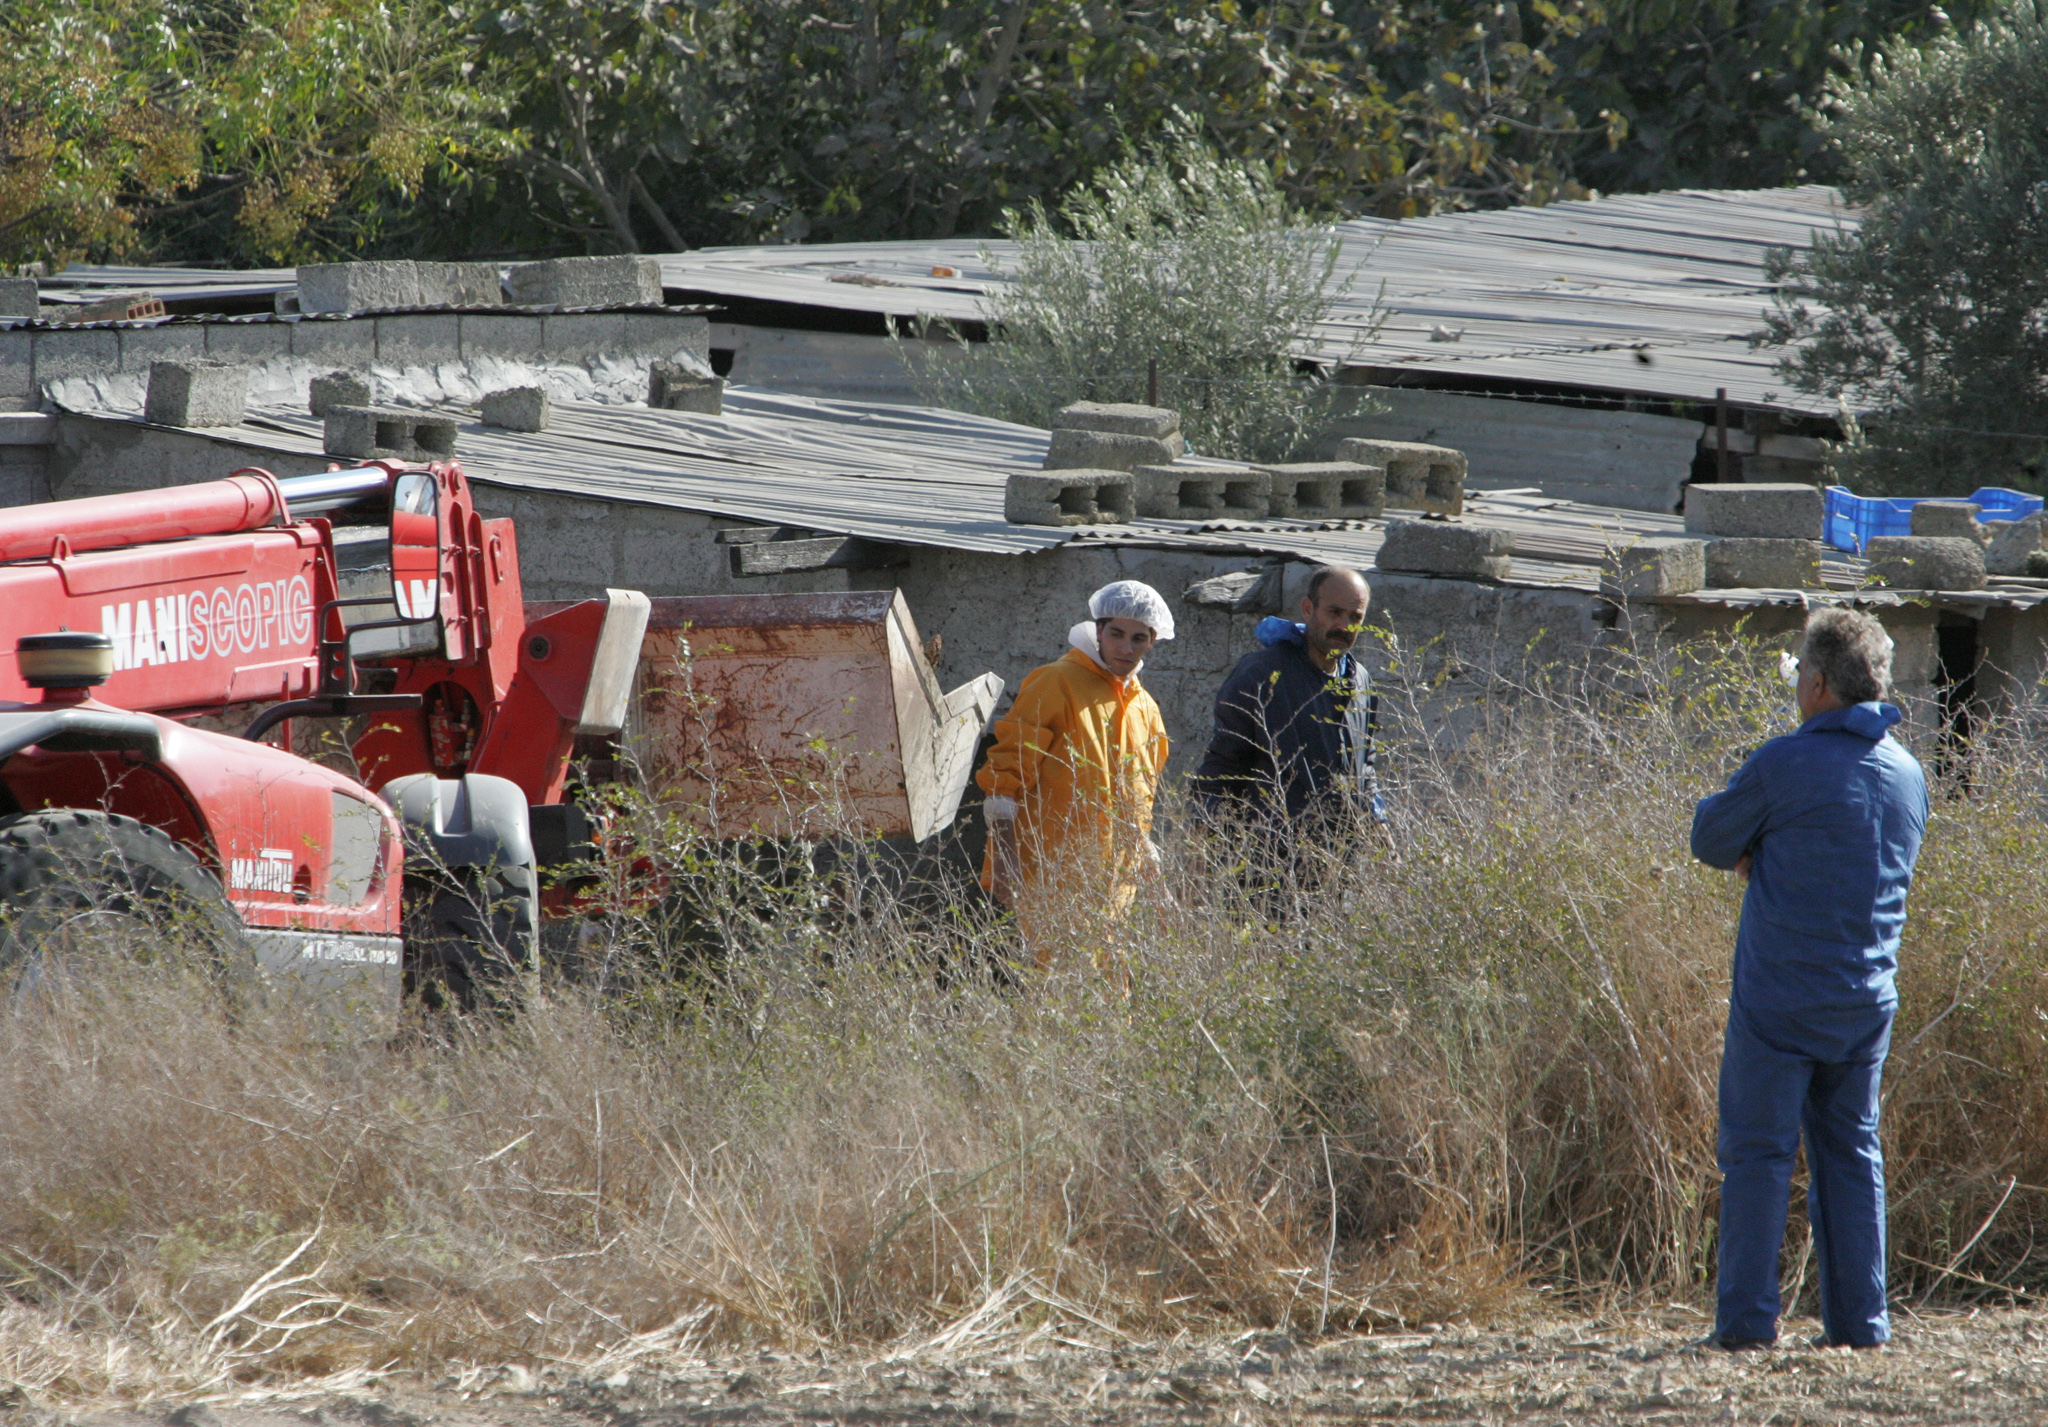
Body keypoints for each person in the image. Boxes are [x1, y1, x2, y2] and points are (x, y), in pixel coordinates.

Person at [1691, 608, 1928, 1352]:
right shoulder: (1908, 774)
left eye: (1801, 675)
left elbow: (1709, 836)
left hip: (1778, 1001)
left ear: (1819, 684)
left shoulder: (1783, 764)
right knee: (1853, 1155)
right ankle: (1862, 1325)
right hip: (1866, 1000)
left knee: (1758, 1157)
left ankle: (1745, 1325)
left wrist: (1756, 854)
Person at [975, 580, 1173, 960]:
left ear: (1152, 641)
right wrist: (1002, 853)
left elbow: (1138, 805)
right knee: (1060, 989)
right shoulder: (1056, 681)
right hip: (1051, 874)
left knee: (1109, 992)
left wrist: (1154, 878)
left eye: (1138, 638)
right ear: (1098, 630)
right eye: (1116, 634)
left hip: (1114, 882)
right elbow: (1007, 773)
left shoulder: (1144, 708)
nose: (1125, 648)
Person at [1190, 565, 1386, 836]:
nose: (1343, 625)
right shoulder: (1262, 673)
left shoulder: (1359, 681)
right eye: (1334, 612)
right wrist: (1203, 836)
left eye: (1355, 616)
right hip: (1267, 859)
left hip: (1339, 860)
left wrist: (1379, 825)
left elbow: (1364, 768)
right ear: (1308, 609)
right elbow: (1224, 764)